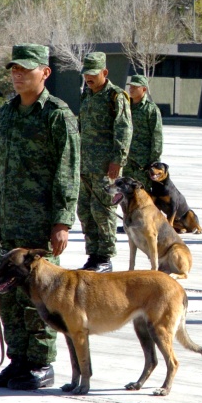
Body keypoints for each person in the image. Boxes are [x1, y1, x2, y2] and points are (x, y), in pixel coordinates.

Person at [0, 44, 80, 390]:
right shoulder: (6, 112)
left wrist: (61, 222)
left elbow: (67, 170)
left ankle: (42, 363)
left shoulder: (57, 115)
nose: (17, 75)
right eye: (14, 69)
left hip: (39, 223)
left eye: (25, 70)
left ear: (45, 72)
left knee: (39, 295)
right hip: (6, 220)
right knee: (7, 292)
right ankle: (19, 360)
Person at [78, 51, 133, 272]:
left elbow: (124, 129)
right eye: (85, 74)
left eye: (92, 74)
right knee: (85, 211)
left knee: (103, 211)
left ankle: (105, 258)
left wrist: (117, 161)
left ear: (105, 72)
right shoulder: (87, 95)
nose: (88, 78)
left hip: (105, 166)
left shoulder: (116, 96)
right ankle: (93, 254)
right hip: (84, 165)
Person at [124, 74, 163, 191]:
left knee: (141, 194)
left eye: (135, 87)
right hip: (126, 160)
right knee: (126, 195)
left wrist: (153, 162)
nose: (131, 90)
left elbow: (157, 137)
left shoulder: (151, 109)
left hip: (142, 162)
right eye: (130, 87)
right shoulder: (125, 106)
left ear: (144, 89)